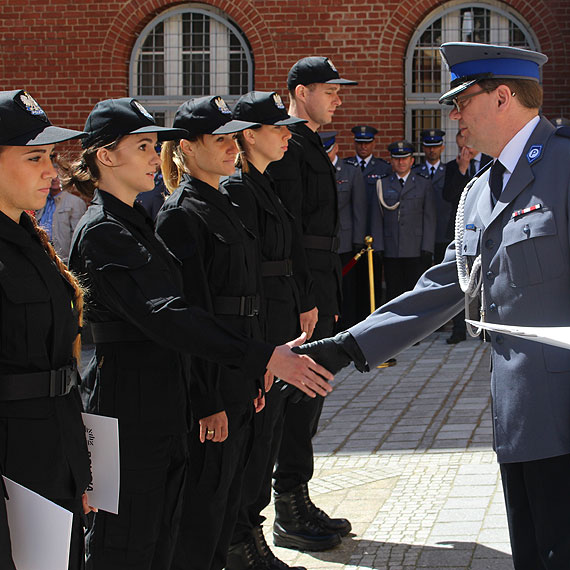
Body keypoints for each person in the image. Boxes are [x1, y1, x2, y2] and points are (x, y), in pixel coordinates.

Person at [295, 42, 570, 570]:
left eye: (462, 100)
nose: (453, 115)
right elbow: (447, 285)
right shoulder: (482, 190)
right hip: (521, 418)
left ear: (503, 98)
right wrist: (347, 347)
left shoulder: (563, 166)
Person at [68, 97, 333, 570]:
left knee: (166, 532)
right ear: (105, 157)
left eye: (155, 146)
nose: (156, 156)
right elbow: (171, 315)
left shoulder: (136, 222)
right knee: (128, 541)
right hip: (129, 403)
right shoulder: (105, 231)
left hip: (165, 400)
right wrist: (259, 358)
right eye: (144, 146)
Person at [266, 56, 357, 552]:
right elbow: (290, 231)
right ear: (301, 92)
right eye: (330, 90)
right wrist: (305, 296)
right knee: (298, 397)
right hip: (302, 294)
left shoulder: (306, 144)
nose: (337, 99)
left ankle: (297, 495)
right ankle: (287, 507)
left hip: (318, 288)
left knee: (311, 396)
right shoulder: (289, 144)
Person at [0, 89, 93, 570]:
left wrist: (80, 472)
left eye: (51, 157)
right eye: (34, 157)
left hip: (54, 454)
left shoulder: (30, 240)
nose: (50, 172)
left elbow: (60, 366)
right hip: (14, 467)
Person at [219, 90, 310, 570]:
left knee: (268, 434)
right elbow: (249, 270)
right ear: (248, 136)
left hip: (278, 321)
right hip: (262, 329)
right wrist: (266, 343)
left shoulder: (263, 181)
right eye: (276, 128)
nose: (285, 134)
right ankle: (240, 540)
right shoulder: (238, 187)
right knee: (254, 437)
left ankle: (250, 533)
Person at [369, 140, 436, 303]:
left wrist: (427, 247)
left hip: (416, 248)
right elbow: (376, 218)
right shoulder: (382, 184)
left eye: (405, 158)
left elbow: (429, 217)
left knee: (415, 293)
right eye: (397, 158)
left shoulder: (423, 183)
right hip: (392, 248)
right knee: (393, 292)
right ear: (391, 160)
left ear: (411, 160)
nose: (401, 162)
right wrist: (378, 246)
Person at [442, 130, 491, 344]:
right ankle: (459, 329)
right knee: (460, 279)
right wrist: (462, 169)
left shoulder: (491, 163)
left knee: (485, 279)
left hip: (485, 229)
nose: (465, 141)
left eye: (468, 135)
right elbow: (448, 196)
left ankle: (486, 328)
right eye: (461, 136)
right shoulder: (452, 167)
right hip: (460, 230)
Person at [319, 130, 367, 329]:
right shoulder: (316, 169)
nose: (326, 155)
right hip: (322, 241)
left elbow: (359, 207)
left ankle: (349, 326)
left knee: (348, 288)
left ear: (336, 148)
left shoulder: (350, 170)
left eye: (328, 151)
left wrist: (358, 239)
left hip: (345, 240)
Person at [344, 125, 392, 317]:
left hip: (374, 232)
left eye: (367, 143)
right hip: (350, 234)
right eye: (360, 143)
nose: (363, 147)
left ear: (374, 143)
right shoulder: (347, 166)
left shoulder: (383, 168)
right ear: (354, 144)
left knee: (372, 280)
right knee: (351, 280)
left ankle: (370, 316)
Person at [35, 154, 87, 263]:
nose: (55, 179)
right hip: (41, 257)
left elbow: (78, 237)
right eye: (52, 177)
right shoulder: (38, 201)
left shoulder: (74, 202)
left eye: (58, 176)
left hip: (63, 261)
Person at [412, 129, 450, 266]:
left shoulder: (450, 171)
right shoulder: (415, 172)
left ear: (442, 148)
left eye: (436, 146)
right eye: (428, 146)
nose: (432, 150)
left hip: (443, 231)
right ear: (423, 148)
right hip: (419, 232)